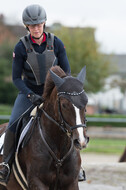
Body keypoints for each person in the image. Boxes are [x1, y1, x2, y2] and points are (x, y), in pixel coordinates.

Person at [0, 4, 84, 182]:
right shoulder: (20, 47)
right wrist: (30, 95)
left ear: (44, 23)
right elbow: (16, 78)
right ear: (27, 27)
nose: (36, 28)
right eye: (32, 26)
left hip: (54, 92)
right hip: (29, 92)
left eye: (39, 24)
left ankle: (78, 167)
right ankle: (6, 164)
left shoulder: (57, 43)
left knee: (71, 122)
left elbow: (66, 73)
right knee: (14, 123)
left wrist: (61, 93)